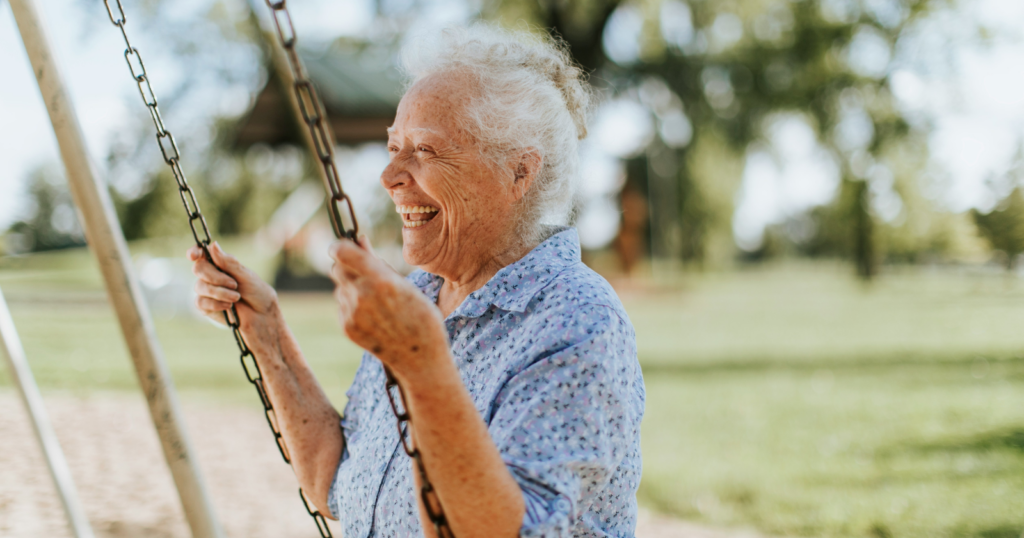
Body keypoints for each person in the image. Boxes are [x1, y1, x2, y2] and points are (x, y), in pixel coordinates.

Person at [188, 24, 644, 538]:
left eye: (426, 150)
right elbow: (336, 484)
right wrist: (265, 329)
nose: (390, 177)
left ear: (519, 173)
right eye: (394, 147)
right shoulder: (423, 293)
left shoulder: (576, 320)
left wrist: (420, 362)